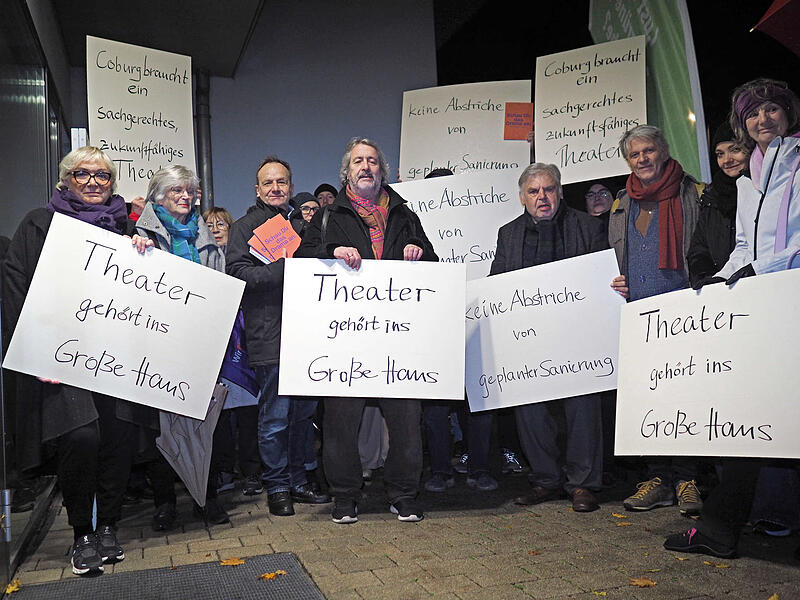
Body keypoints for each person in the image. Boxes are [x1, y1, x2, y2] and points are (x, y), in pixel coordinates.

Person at [665, 78, 800, 559]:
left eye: (771, 110)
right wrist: (718, 280)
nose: (763, 120)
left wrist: (755, 269)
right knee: (758, 414)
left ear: (787, 113)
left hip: (790, 300)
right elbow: (745, 243)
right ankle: (722, 527)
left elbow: (790, 247)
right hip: (763, 305)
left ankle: (725, 525)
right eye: (753, 114)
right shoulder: (748, 181)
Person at [3, 146, 151, 575]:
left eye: (102, 176)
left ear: (112, 185)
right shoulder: (39, 224)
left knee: (119, 436)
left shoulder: (126, 228)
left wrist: (143, 250)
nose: (92, 182)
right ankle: (82, 531)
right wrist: (35, 350)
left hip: (117, 355)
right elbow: (15, 290)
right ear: (65, 180)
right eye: (82, 174)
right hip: (62, 358)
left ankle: (108, 525)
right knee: (82, 438)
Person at [296, 137, 438, 523]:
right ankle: (345, 495)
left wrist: (417, 251)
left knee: (407, 421)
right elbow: (300, 260)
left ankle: (404, 494)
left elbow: (435, 264)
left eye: (373, 161)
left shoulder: (405, 215)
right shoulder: (328, 217)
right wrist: (330, 252)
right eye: (358, 161)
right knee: (340, 421)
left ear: (382, 171)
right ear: (347, 171)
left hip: (398, 340)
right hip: (346, 341)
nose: (366, 167)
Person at [489, 163, 607, 512]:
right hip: (529, 340)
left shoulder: (587, 227)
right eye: (534, 191)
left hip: (579, 337)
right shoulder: (508, 234)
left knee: (583, 408)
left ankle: (582, 484)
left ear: (560, 191)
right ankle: (545, 480)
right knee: (530, 410)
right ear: (522, 197)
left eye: (549, 189)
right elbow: (498, 281)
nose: (542, 197)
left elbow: (602, 278)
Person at [226, 156, 330, 516]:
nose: (275, 188)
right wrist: (287, 268)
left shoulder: (306, 226)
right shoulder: (243, 228)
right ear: (257, 189)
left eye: (282, 182)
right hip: (269, 335)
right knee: (274, 417)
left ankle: (299, 480)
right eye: (268, 183)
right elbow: (238, 274)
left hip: (308, 336)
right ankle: (277, 486)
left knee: (303, 415)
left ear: (290, 185)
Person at [608, 124, 704, 515]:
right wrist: (613, 279)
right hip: (638, 315)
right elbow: (614, 254)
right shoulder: (621, 200)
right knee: (647, 396)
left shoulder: (693, 192)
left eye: (648, 151)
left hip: (686, 311)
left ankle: (687, 478)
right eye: (635, 154)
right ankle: (658, 477)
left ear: (662, 151)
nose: (643, 159)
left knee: (685, 395)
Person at [134, 165, 230, 528]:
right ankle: (164, 503)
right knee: (163, 425)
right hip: (158, 343)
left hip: (201, 343)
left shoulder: (205, 238)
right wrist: (136, 250)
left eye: (190, 191)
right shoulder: (141, 236)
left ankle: (207, 498)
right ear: (158, 196)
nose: (185, 197)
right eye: (177, 191)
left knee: (207, 422)